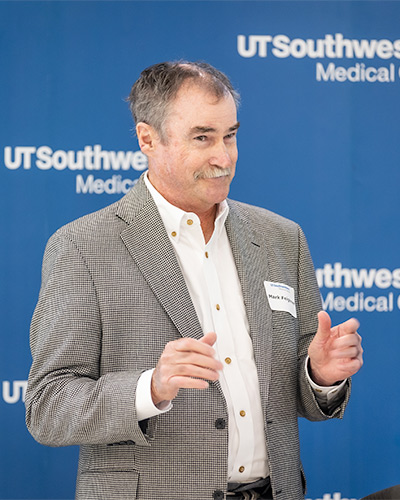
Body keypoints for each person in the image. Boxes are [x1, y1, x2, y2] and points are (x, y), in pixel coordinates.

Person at [25, 61, 363, 500]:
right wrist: (151, 386)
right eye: (203, 138)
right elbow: (47, 406)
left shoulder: (283, 239)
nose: (224, 157)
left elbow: (294, 397)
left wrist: (319, 375)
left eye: (231, 135)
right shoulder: (82, 247)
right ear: (148, 139)